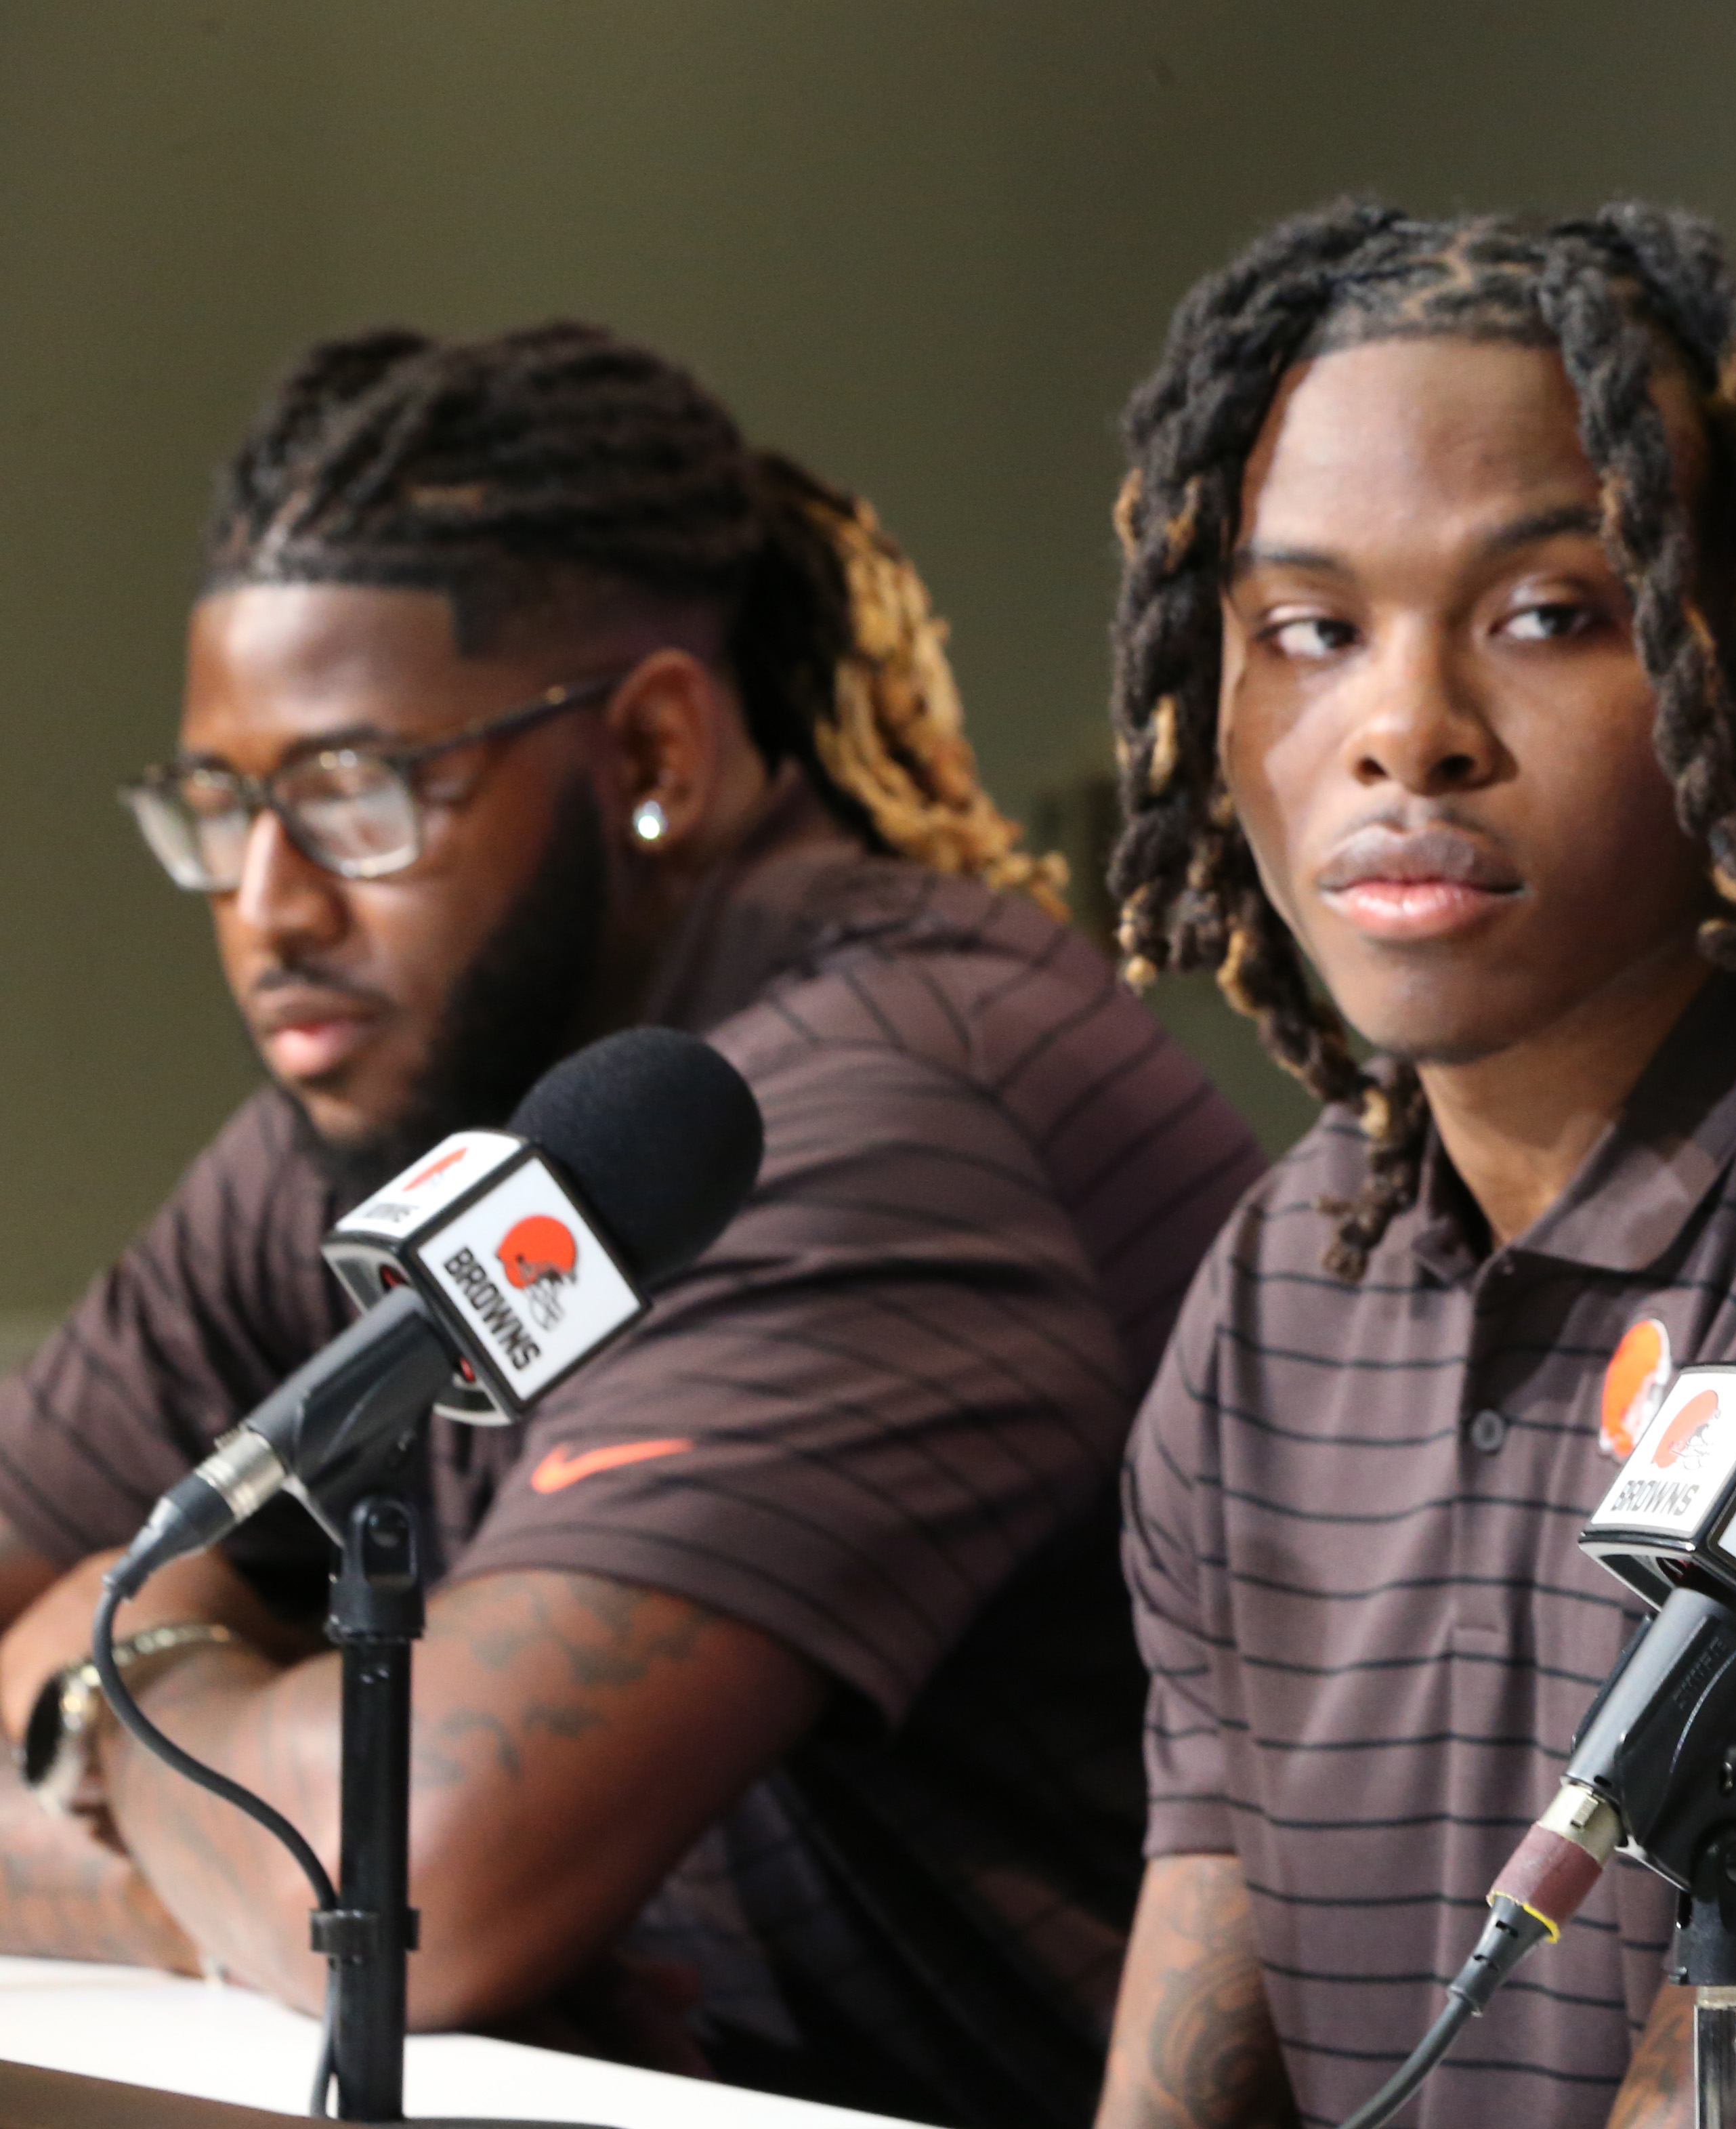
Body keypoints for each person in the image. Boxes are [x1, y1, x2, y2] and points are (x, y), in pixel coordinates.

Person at [0, 324, 1266, 2128]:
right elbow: (358, 1898)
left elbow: (404, 1897)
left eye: (356, 795)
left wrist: (130, 1673)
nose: (269, 909)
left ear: (657, 744)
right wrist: (239, 1858)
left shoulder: (868, 1107)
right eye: (220, 809)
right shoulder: (390, 1112)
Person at [1096, 202, 1736, 2129]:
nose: (1404, 732)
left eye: (1546, 616)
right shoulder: (1278, 1280)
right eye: (1308, 632)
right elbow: (1197, 2017)